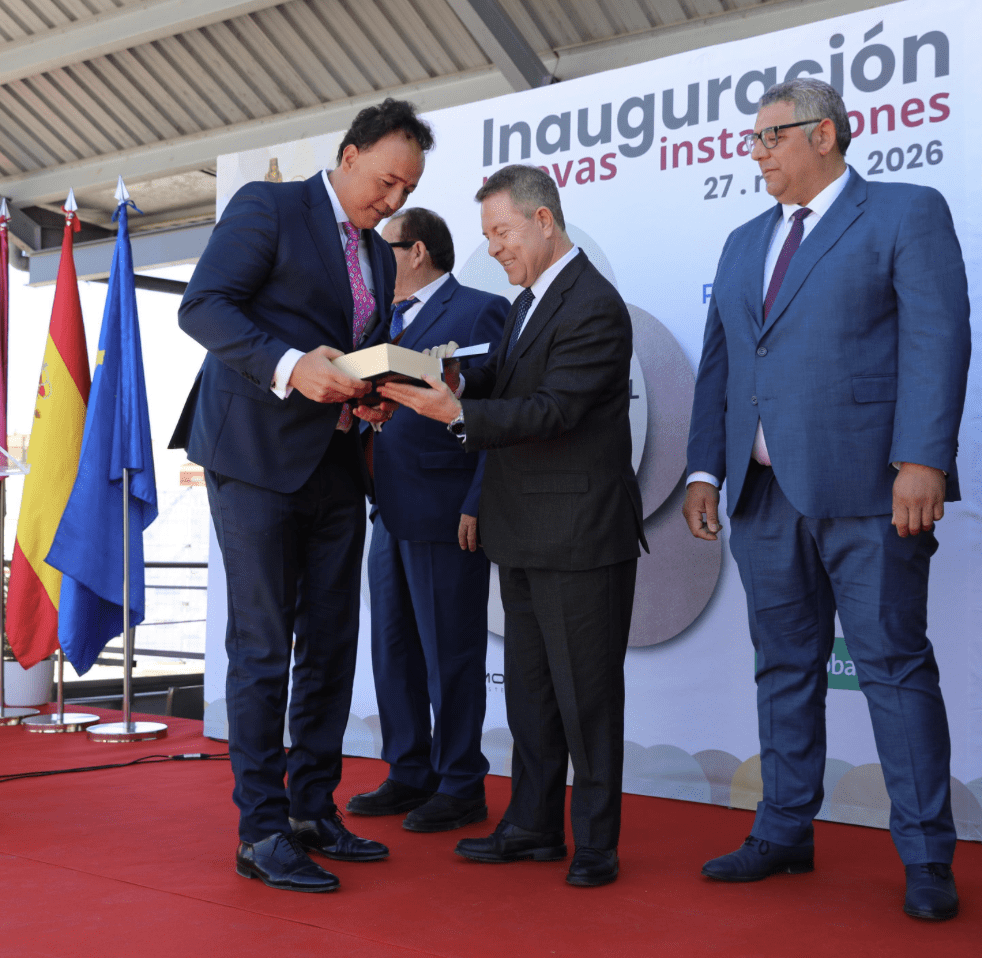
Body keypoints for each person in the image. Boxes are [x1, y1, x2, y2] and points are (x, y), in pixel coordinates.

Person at [683, 78, 971, 920]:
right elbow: (722, 363)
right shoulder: (743, 241)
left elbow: (937, 339)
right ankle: (783, 829)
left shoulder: (905, 212)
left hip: (873, 490)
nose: (757, 152)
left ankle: (927, 855)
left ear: (828, 134)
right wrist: (704, 470)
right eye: (753, 139)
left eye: (772, 136)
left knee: (892, 666)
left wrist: (924, 460)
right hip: (764, 496)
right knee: (783, 667)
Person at [172, 99, 433, 893]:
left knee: (331, 643)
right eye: (386, 180)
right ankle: (261, 831)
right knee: (261, 647)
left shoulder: (379, 255)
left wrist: (369, 393)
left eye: (408, 189)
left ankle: (313, 811)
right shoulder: (270, 206)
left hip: (336, 463)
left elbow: (350, 352)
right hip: (253, 457)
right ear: (349, 156)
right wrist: (291, 367)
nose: (393, 199)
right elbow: (203, 307)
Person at [378, 164, 646, 888]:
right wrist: (455, 380)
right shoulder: (529, 301)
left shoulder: (594, 304)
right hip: (524, 528)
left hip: (581, 535)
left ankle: (596, 844)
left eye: (501, 232)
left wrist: (457, 413)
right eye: (488, 235)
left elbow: (555, 409)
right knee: (530, 693)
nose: (493, 248)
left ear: (543, 221)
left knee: (586, 698)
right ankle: (531, 826)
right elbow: (505, 376)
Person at [346, 208, 508, 832]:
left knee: (451, 653)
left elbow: (494, 409)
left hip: (446, 508)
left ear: (416, 252)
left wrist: (479, 498)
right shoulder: (377, 322)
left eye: (383, 246)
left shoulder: (480, 310)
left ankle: (461, 783)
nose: (372, 258)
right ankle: (408, 772)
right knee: (393, 650)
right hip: (386, 507)